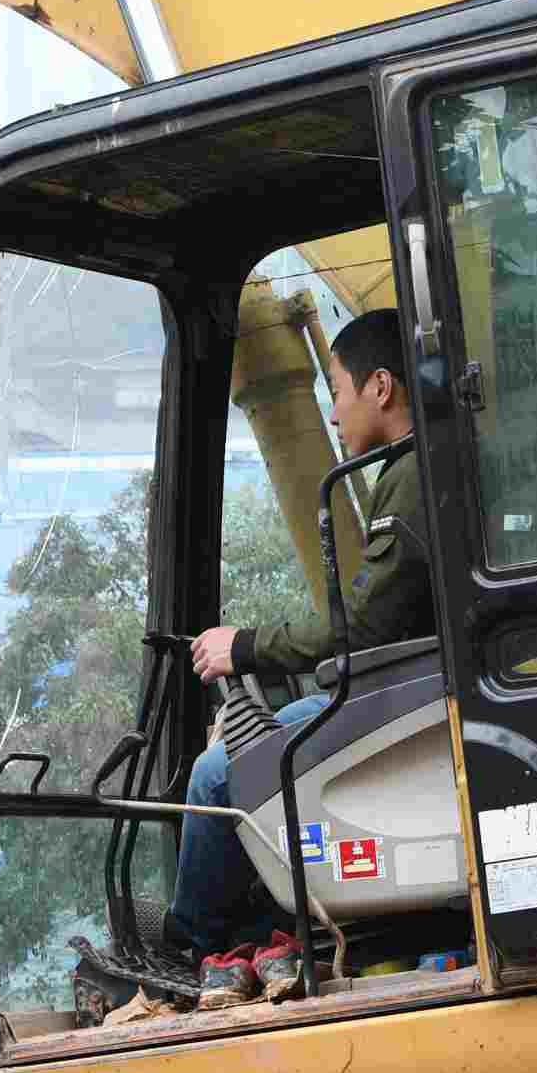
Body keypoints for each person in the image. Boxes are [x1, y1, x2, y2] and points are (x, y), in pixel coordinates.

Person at [165, 306, 433, 968]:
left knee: (217, 773)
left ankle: (191, 950)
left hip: (411, 696)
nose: (335, 415)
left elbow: (363, 624)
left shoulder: (412, 480)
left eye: (338, 393)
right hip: (409, 684)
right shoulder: (418, 468)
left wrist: (246, 646)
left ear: (380, 387)